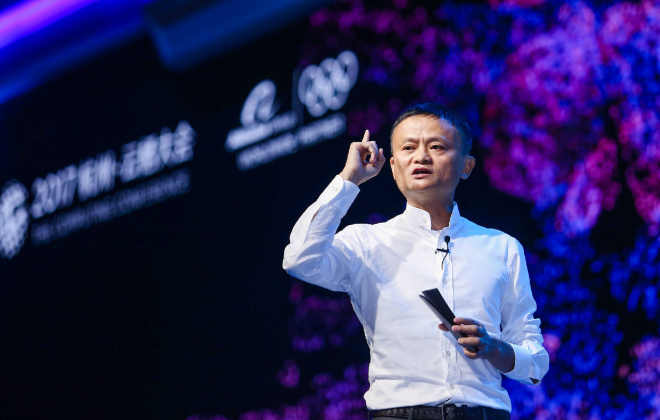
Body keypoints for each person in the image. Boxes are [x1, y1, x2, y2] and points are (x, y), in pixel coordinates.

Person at [283, 103, 549, 420]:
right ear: (394, 167)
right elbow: (299, 258)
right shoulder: (366, 243)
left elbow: (535, 363)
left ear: (466, 166)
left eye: (436, 147)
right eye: (408, 148)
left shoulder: (501, 247)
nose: (421, 157)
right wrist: (348, 179)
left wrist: (495, 348)